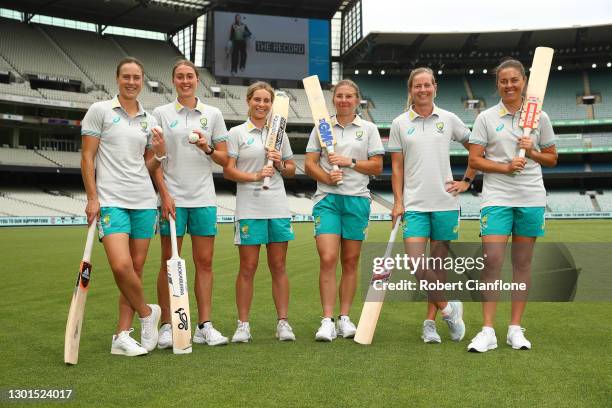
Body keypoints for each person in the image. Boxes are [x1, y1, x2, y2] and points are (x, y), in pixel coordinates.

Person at [467, 58, 557, 352]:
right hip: (497, 197)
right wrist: (505, 168)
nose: (509, 85)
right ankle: (488, 330)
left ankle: (515, 329)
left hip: (530, 195)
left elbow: (552, 158)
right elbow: (475, 160)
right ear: (498, 85)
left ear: (524, 83)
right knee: (492, 259)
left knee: (522, 263)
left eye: (514, 80)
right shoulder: (485, 118)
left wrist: (532, 152)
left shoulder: (539, 118)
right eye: (503, 81)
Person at [81, 57, 162, 357]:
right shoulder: (100, 110)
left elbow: (148, 164)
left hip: (143, 201)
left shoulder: (149, 119)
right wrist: (92, 197)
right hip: (111, 200)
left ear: (142, 81)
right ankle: (146, 312)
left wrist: (162, 154)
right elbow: (87, 158)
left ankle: (121, 336)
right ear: (117, 79)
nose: (131, 82)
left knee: (136, 269)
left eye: (136, 77)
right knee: (120, 266)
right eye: (126, 76)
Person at [388, 67, 475, 344]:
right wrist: (398, 202)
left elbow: (477, 146)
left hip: (445, 203)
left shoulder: (448, 119)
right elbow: (397, 166)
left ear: (434, 87)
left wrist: (467, 181)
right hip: (414, 204)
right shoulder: (399, 123)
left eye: (427, 85)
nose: (423, 90)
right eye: (418, 86)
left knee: (437, 268)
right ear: (410, 90)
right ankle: (449, 309)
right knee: (416, 264)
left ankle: (430, 324)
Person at [151, 60, 230, 348]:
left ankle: (204, 326)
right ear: (173, 81)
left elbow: (224, 158)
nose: (185, 81)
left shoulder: (213, 114)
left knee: (205, 263)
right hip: (172, 198)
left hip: (203, 198)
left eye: (190, 77)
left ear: (198, 80)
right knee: (168, 263)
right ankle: (167, 326)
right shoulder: (160, 113)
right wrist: (164, 194)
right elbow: (154, 160)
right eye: (180, 77)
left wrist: (206, 147)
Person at [305, 79, 385, 342]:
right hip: (327, 198)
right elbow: (309, 164)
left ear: (357, 99)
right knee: (328, 258)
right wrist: (326, 178)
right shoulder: (322, 126)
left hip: (357, 200)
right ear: (333, 98)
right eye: (339, 96)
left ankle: (345, 318)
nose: (344, 100)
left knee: (350, 261)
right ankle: (327, 320)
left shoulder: (369, 129)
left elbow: (376, 166)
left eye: (349, 96)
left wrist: (348, 162)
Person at [223, 81, 297, 342]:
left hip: (276, 205)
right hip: (249, 208)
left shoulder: (279, 134)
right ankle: (243, 324)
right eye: (258, 100)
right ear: (248, 101)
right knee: (248, 268)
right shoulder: (237, 133)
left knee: (278, 266)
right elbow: (228, 170)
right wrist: (255, 175)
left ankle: (283, 323)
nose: (262, 104)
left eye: (267, 101)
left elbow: (291, 170)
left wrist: (278, 162)